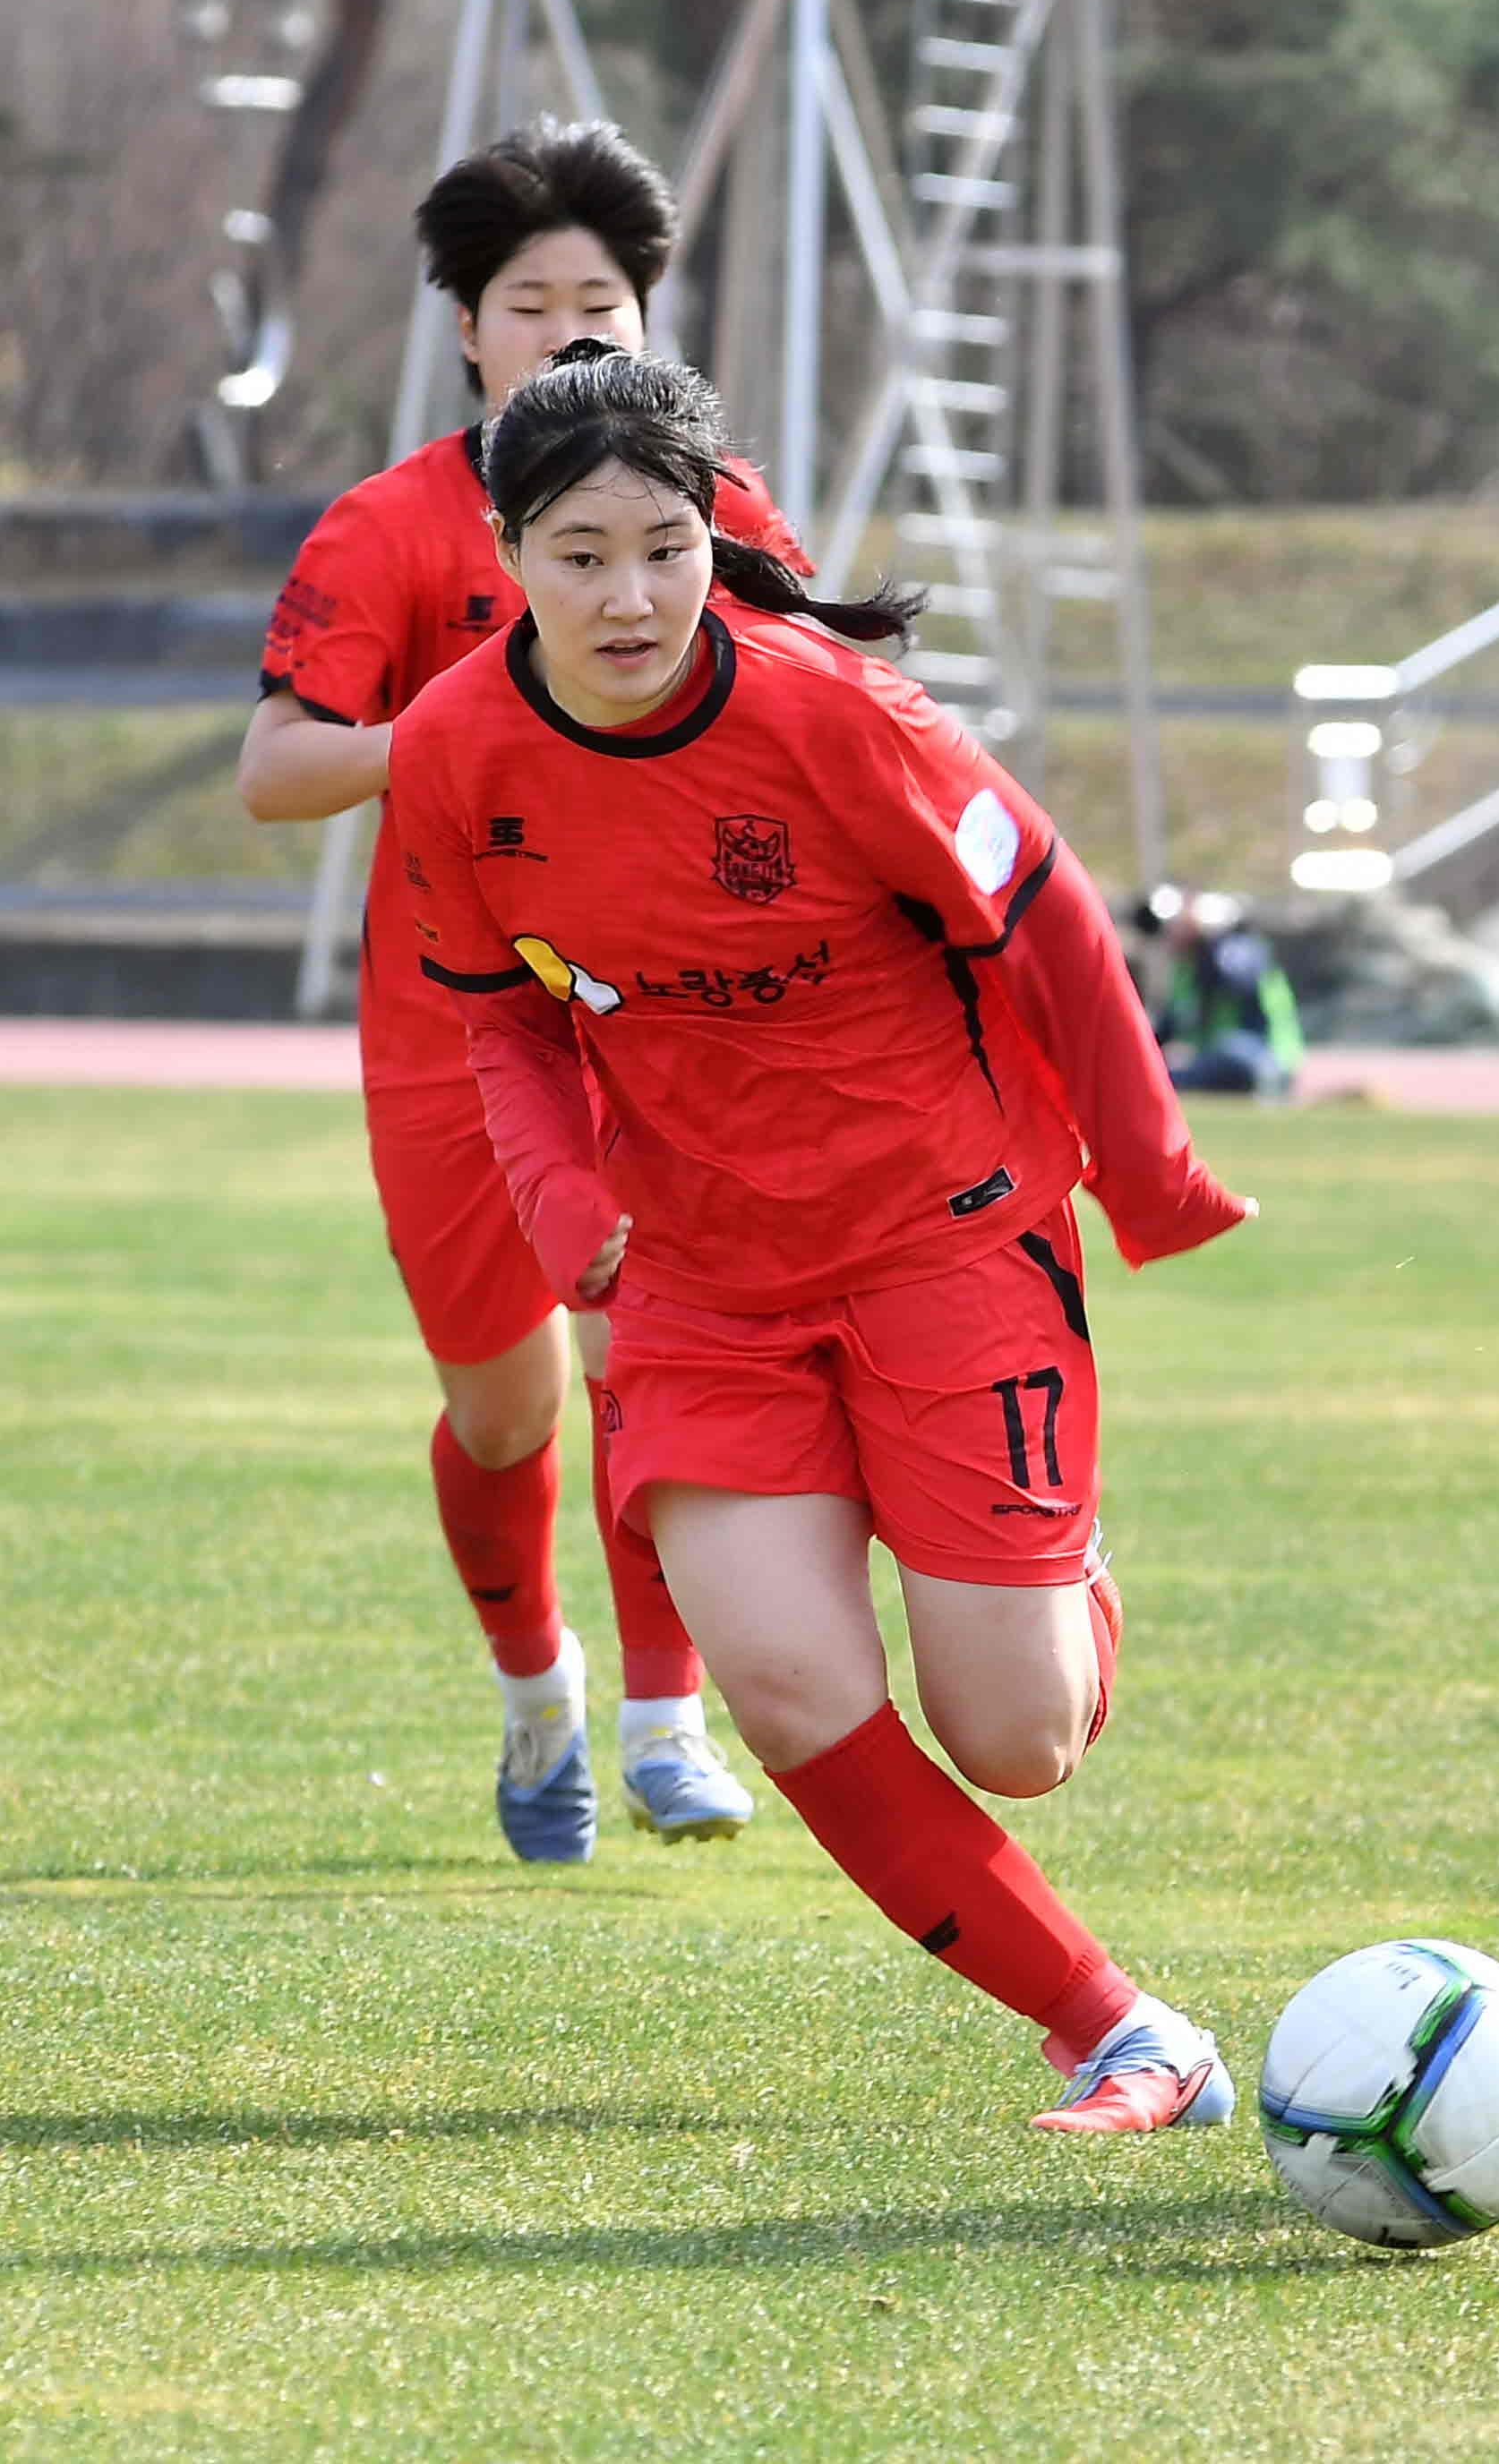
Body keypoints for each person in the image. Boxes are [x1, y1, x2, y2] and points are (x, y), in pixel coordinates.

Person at [385, 341, 1255, 2132]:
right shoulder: (456, 752)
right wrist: (563, 1201)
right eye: (576, 553)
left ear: (714, 533)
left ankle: (1050, 1562)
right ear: (507, 555)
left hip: (949, 1240)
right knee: (781, 1687)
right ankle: (1118, 2033)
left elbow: (1050, 921)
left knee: (1016, 1737)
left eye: (662, 545)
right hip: (705, 1285)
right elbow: (506, 1016)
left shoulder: (834, 715)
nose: (626, 595)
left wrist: (1147, 1171)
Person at [238, 119, 809, 1861]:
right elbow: (273, 768)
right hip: (446, 1033)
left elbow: (822, 706)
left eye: (604, 301)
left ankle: (664, 1722)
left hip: (661, 1033)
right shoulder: (392, 530)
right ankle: (532, 1692)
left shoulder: (714, 509)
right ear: (468, 332)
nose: (571, 329)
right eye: (529, 299)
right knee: (506, 1409)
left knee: (649, 1358)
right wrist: (459, 733)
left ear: (648, 324)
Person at [1136, 885, 1306, 1097]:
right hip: (1211, 1054)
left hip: (1266, 1053)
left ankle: (1269, 1084)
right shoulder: (1185, 970)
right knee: (1159, 1078)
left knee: (1226, 1054)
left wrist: (1208, 940)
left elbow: (1236, 980)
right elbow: (1168, 1027)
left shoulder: (1242, 950)